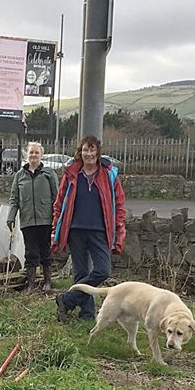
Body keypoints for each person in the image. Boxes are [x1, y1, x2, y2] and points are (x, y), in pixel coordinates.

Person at [52, 135, 127, 322]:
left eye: (92, 150)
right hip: (75, 230)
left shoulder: (109, 175)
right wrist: (55, 229)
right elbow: (59, 203)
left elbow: (119, 205)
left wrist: (119, 231)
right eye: (85, 150)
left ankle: (66, 300)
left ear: (98, 152)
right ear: (80, 152)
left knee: (103, 270)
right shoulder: (71, 174)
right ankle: (86, 315)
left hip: (100, 231)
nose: (89, 154)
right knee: (81, 273)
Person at [6, 141, 58, 292]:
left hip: (45, 220)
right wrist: (11, 217)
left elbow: (57, 197)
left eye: (36, 153)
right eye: (31, 152)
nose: (33, 155)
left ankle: (48, 282)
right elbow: (14, 198)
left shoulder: (49, 174)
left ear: (41, 155)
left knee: (45, 251)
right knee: (30, 253)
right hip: (27, 220)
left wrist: (57, 217)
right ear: (26, 155)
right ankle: (31, 284)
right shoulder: (19, 176)